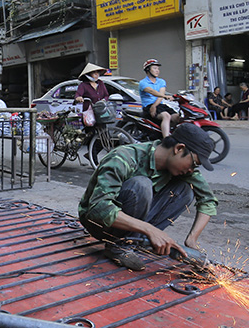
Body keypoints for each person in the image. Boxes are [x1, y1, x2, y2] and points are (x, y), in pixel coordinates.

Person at [79, 123, 219, 270]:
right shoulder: (124, 157)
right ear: (179, 149)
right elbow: (98, 209)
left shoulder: (184, 170)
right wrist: (150, 230)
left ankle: (138, 241)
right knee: (141, 185)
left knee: (185, 190)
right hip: (98, 224)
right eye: (193, 163)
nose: (191, 170)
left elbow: (208, 200)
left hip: (136, 227)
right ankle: (119, 247)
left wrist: (192, 240)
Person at [139, 58, 180, 136]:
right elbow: (152, 92)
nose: (157, 70)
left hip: (159, 105)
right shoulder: (143, 83)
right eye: (154, 68)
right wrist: (165, 96)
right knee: (166, 116)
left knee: (176, 116)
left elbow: (160, 95)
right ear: (148, 69)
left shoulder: (161, 81)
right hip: (148, 106)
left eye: (158, 68)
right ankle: (166, 139)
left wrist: (155, 105)